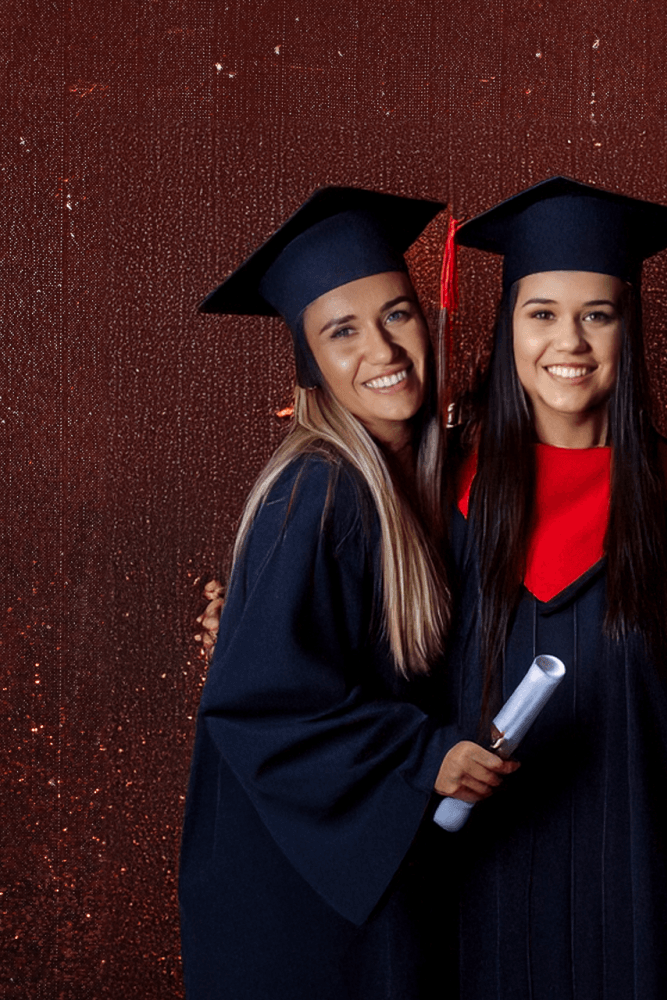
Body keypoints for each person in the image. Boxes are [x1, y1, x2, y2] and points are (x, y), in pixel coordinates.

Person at [179, 187, 516, 1000]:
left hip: (356, 872)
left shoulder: (409, 481)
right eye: (343, 331)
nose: (383, 348)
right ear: (310, 363)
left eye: (397, 314)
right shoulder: (321, 490)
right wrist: (425, 755)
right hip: (298, 899)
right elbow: (261, 703)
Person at [443, 176, 667, 1000]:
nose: (569, 341)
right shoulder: (438, 503)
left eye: (598, 315)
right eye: (542, 313)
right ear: (508, 327)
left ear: (628, 330)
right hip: (478, 914)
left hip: (645, 913)